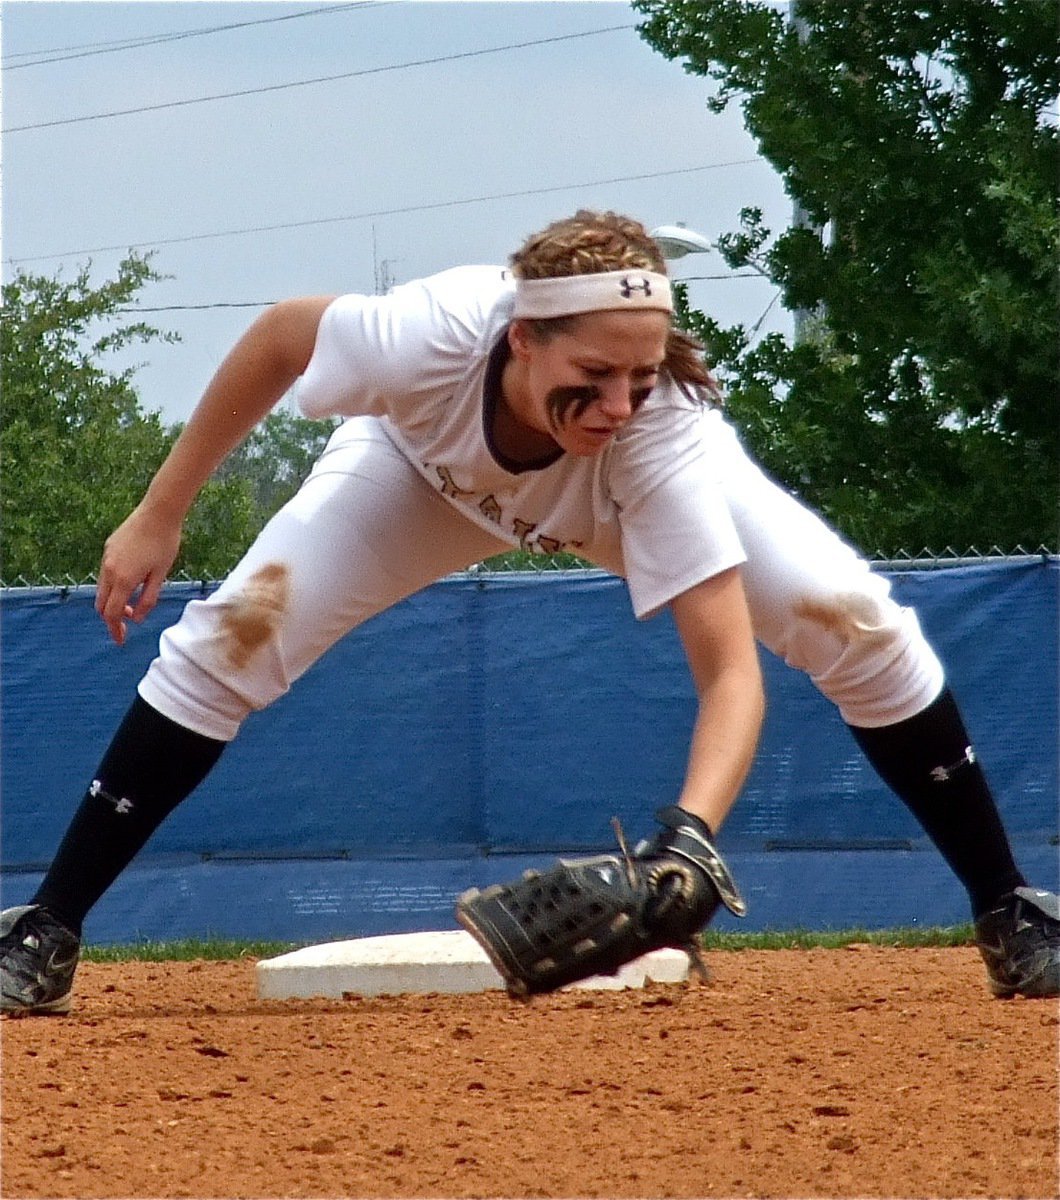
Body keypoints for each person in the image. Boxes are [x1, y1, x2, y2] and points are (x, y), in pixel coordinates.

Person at [1, 210, 1056, 1014]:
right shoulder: (429, 337)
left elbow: (729, 670)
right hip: (418, 476)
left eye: (641, 373)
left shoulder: (653, 435)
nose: (617, 400)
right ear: (520, 339)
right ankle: (48, 928)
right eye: (593, 373)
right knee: (236, 633)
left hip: (608, 503)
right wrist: (158, 509)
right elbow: (282, 338)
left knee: (854, 624)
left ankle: (1007, 909)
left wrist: (691, 843)